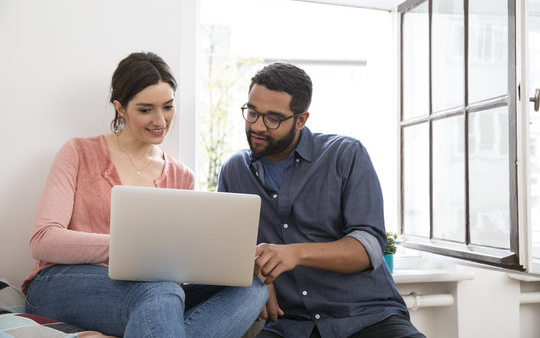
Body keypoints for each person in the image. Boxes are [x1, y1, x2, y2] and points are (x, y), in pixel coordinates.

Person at [22, 52, 268, 338]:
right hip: (62, 283)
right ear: (120, 108)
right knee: (159, 291)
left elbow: (178, 259)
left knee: (253, 288)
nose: (160, 120)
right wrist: (130, 248)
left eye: (168, 107)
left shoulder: (181, 176)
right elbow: (42, 240)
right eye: (145, 109)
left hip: (150, 290)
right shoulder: (78, 152)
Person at [218, 62, 425, 338]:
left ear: (301, 120)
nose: (258, 126)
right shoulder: (235, 170)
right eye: (252, 113)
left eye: (273, 119)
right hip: (289, 325)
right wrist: (255, 276)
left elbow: (369, 247)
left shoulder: (345, 154)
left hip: (368, 316)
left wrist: (295, 253)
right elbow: (228, 248)